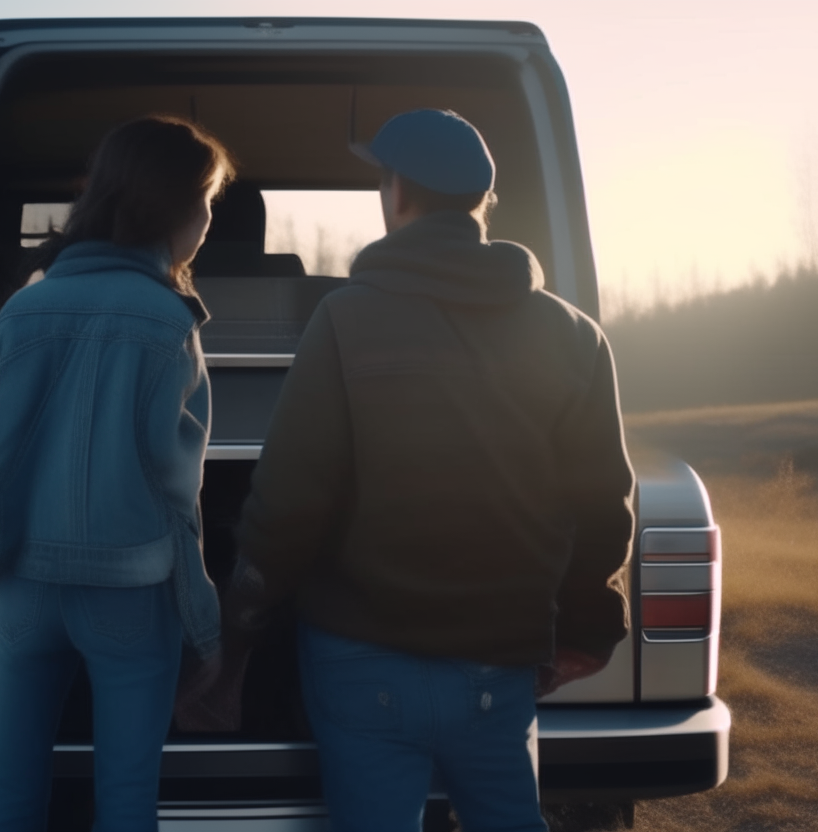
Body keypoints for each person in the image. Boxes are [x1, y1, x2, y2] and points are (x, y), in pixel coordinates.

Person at [223, 109, 636, 831]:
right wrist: (586, 631)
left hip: (360, 658)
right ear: (482, 204)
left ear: (396, 194)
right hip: (499, 663)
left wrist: (243, 618)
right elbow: (604, 503)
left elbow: (291, 500)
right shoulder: (574, 335)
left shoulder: (344, 321)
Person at [0, 115, 233, 832]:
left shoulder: (21, 312)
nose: (206, 222)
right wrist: (205, 626)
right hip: (131, 600)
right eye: (206, 203)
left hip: (23, 590)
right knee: (127, 803)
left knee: (7, 799)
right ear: (170, 205)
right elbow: (176, 498)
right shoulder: (170, 324)